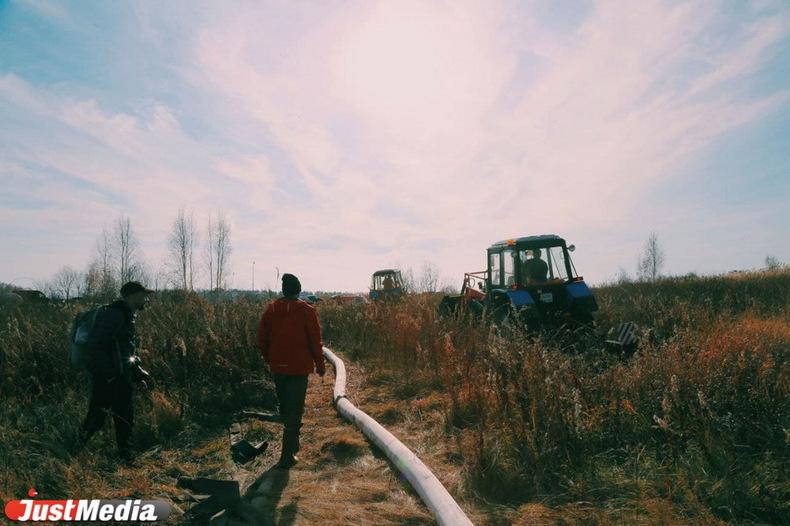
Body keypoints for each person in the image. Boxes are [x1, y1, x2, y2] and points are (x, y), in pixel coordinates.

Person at [257, 273, 326, 469]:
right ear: (298, 290)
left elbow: (261, 339)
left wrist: (270, 358)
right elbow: (315, 341)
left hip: (279, 368)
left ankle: (291, 447)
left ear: (283, 290)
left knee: (286, 408)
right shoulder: (306, 311)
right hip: (299, 369)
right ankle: (288, 454)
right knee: (294, 411)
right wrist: (320, 365)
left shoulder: (271, 310)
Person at [79, 281, 153, 463]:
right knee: (98, 417)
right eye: (143, 295)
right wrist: (111, 375)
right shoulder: (114, 315)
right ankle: (74, 448)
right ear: (131, 296)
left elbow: (126, 352)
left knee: (124, 418)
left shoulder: (126, 315)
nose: (146, 299)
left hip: (118, 376)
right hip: (108, 378)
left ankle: (125, 457)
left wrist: (137, 376)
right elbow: (96, 347)